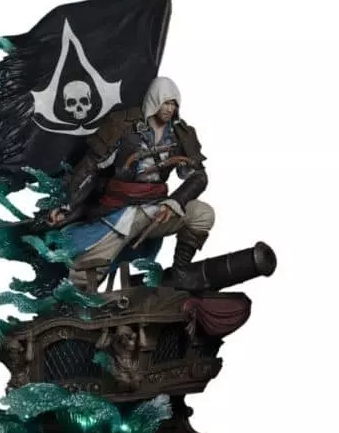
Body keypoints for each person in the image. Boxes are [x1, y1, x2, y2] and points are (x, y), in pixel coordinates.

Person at [48, 77, 215, 291]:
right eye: (166, 102)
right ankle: (72, 303)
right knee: (83, 275)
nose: (170, 109)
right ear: (154, 100)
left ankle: (179, 273)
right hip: (119, 213)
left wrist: (174, 202)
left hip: (158, 210)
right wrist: (67, 205)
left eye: (174, 104)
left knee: (202, 214)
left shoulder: (180, 134)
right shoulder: (123, 125)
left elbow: (199, 176)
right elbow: (90, 167)